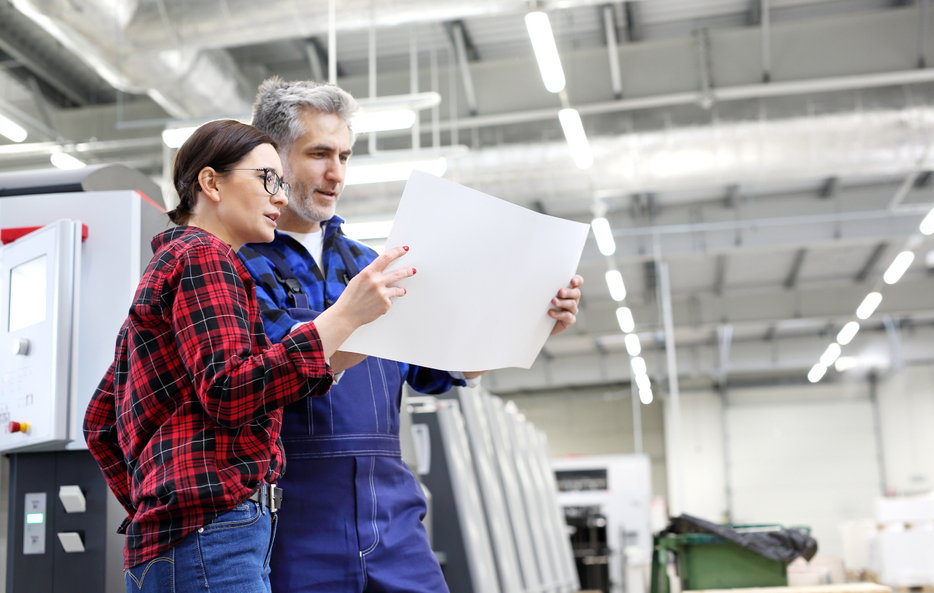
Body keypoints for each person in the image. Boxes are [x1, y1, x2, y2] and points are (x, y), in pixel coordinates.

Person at [238, 78, 584, 593]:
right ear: (272, 159)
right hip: (295, 520)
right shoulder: (236, 265)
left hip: (394, 518)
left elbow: (438, 371)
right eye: (319, 154)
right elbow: (256, 378)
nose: (337, 173)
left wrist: (531, 319)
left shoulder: (374, 264)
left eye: (346, 155)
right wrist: (351, 319)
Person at [83, 119, 416, 593]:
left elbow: (100, 421)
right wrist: (342, 317)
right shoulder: (206, 258)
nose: (280, 196)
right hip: (215, 536)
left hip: (185, 539)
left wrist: (156, 506)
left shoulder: (167, 266)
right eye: (267, 178)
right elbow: (231, 390)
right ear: (211, 182)